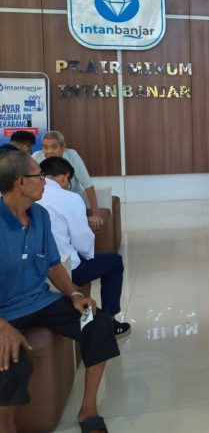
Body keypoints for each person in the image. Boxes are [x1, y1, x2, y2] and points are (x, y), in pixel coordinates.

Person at [0, 151, 120, 433]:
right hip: (5, 312)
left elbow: (53, 264)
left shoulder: (40, 215)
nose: (45, 182)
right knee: (11, 359)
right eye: (39, 176)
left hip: (41, 301)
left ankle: (88, 409)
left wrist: (75, 295)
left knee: (97, 323)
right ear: (19, 182)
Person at [37, 156, 131, 338]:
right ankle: (110, 322)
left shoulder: (29, 198)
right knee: (113, 262)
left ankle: (90, 323)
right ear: (65, 177)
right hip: (64, 268)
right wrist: (88, 257)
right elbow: (83, 241)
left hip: (36, 269)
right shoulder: (70, 198)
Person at [31, 131, 104, 231]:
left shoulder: (72, 155)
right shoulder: (36, 157)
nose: (49, 151)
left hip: (72, 202)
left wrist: (96, 214)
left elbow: (88, 184)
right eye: (45, 147)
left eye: (54, 147)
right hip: (46, 201)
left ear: (63, 147)